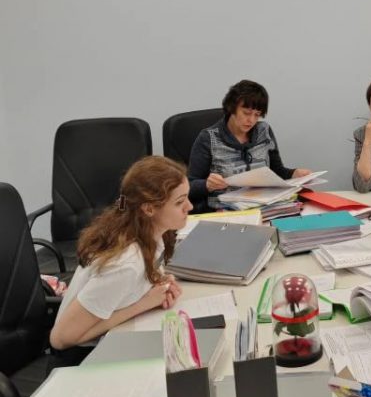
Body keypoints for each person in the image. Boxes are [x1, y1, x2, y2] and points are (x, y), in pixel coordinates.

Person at [50, 156, 190, 351]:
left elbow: (132, 284)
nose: (190, 207)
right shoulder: (125, 264)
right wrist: (144, 303)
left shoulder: (151, 234)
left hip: (114, 338)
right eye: (180, 202)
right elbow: (60, 339)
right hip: (84, 356)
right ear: (149, 209)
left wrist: (157, 282)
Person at [188, 79, 311, 212]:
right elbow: (189, 186)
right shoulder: (208, 138)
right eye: (246, 113)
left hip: (264, 207)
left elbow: (277, 171)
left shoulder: (264, 131)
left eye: (257, 115)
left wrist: (294, 173)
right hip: (225, 212)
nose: (251, 120)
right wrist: (207, 185)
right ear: (232, 108)